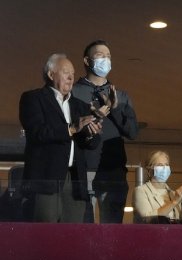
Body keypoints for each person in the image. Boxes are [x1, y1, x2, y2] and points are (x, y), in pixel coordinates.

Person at [19, 53, 102, 222]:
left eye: (72, 73)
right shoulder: (33, 99)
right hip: (46, 179)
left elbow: (91, 144)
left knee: (72, 236)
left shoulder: (81, 106)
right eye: (65, 72)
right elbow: (37, 133)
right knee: (46, 234)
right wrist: (71, 129)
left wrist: (92, 134)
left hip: (75, 180)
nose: (71, 77)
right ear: (51, 74)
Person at [71, 40, 138, 223]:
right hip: (83, 169)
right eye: (100, 55)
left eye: (108, 56)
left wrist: (115, 108)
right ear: (87, 61)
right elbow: (69, 128)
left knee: (112, 230)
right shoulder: (73, 93)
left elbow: (132, 132)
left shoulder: (121, 95)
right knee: (84, 227)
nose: (106, 60)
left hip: (114, 170)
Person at [133, 150, 182, 224]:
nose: (165, 168)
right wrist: (174, 202)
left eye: (166, 165)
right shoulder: (141, 191)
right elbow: (147, 219)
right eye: (160, 165)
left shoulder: (173, 193)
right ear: (149, 170)